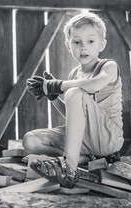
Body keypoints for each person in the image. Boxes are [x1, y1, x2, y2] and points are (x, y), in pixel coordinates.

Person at [24, 12, 124, 188]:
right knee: (30, 140)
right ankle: (85, 158)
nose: (83, 47)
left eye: (90, 41)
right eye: (76, 42)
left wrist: (58, 85)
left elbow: (94, 85)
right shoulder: (74, 75)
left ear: (102, 44)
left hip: (107, 137)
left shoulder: (108, 66)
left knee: (73, 92)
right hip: (83, 139)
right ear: (68, 46)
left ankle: (69, 168)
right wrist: (53, 96)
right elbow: (71, 113)